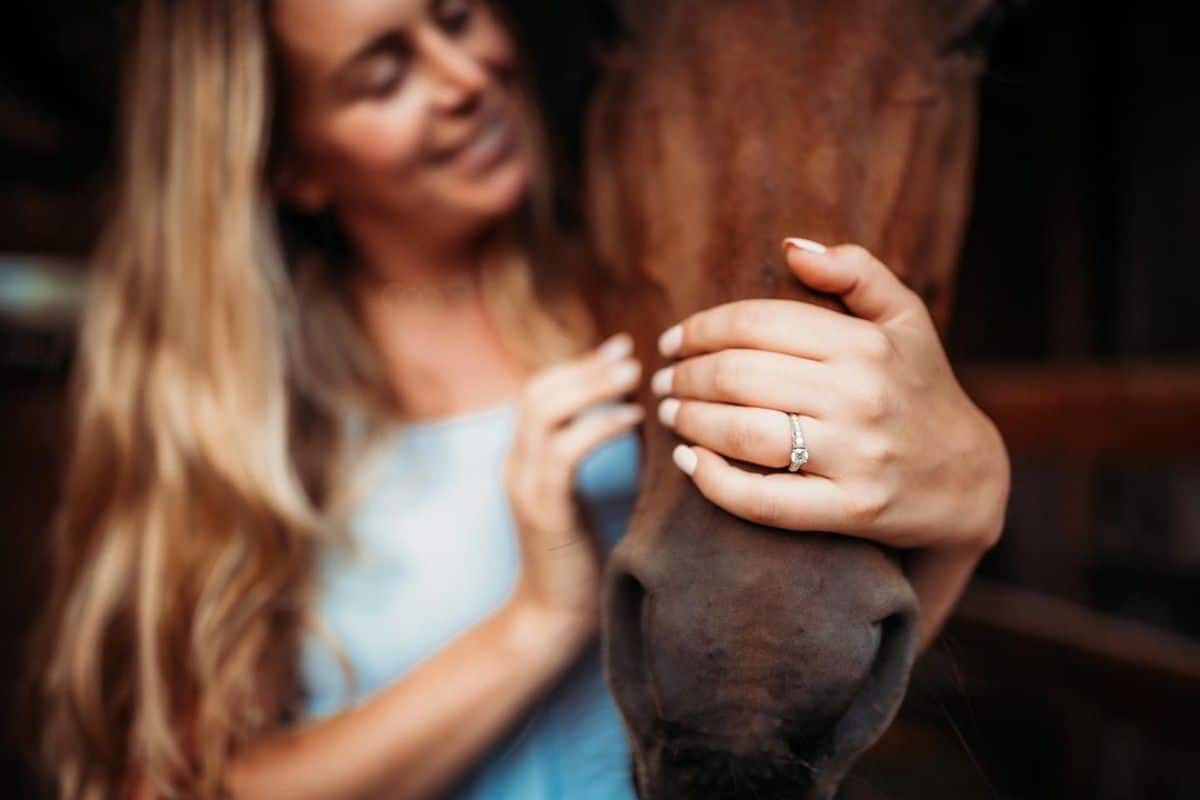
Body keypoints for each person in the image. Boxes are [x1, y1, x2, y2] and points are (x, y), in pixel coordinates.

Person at [34, 0, 1011, 798]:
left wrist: (969, 506)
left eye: (455, 17)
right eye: (385, 73)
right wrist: (533, 626)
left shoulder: (642, 304)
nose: (464, 80)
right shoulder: (246, 418)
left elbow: (786, 704)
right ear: (290, 161)